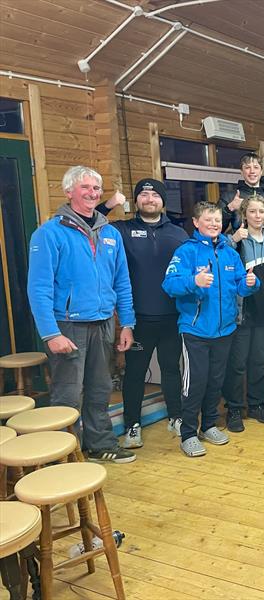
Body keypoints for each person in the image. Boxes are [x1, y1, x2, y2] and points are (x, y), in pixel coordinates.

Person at [28, 165, 137, 463]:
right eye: (85, 187)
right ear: (68, 192)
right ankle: (63, 454)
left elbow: (122, 283)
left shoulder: (110, 233)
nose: (93, 193)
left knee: (100, 389)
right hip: (67, 326)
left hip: (102, 324)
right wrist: (51, 333)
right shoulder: (49, 234)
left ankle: (100, 443)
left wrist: (126, 324)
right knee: (67, 393)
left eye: (96, 189)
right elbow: (38, 288)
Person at [162, 202, 259, 457]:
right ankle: (189, 434)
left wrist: (251, 282)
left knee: (216, 382)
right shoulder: (186, 252)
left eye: (217, 220)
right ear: (196, 222)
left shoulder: (229, 253)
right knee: (195, 384)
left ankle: (208, 425)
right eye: (209, 220)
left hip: (224, 330)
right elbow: (169, 284)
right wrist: (193, 281)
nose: (215, 224)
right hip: (195, 331)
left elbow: (241, 286)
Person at [113, 178, 188, 449]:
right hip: (138, 319)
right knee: (135, 373)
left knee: (171, 369)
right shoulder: (121, 230)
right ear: (136, 201)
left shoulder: (178, 234)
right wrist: (110, 204)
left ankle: (176, 417)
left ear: (163, 201)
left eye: (155, 195)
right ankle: (132, 424)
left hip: (172, 317)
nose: (149, 199)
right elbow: (88, 222)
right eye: (143, 195)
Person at [221, 195, 264, 432]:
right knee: (237, 364)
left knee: (259, 361)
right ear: (244, 215)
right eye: (253, 212)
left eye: (261, 212)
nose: (257, 216)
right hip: (241, 312)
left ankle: (257, 404)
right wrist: (233, 238)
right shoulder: (236, 241)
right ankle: (235, 408)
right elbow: (216, 253)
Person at [220, 152, 264, 232]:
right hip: (241, 242)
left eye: (256, 167)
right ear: (241, 171)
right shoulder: (230, 196)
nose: (252, 171)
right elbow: (216, 228)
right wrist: (229, 208)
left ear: (261, 171)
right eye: (247, 167)